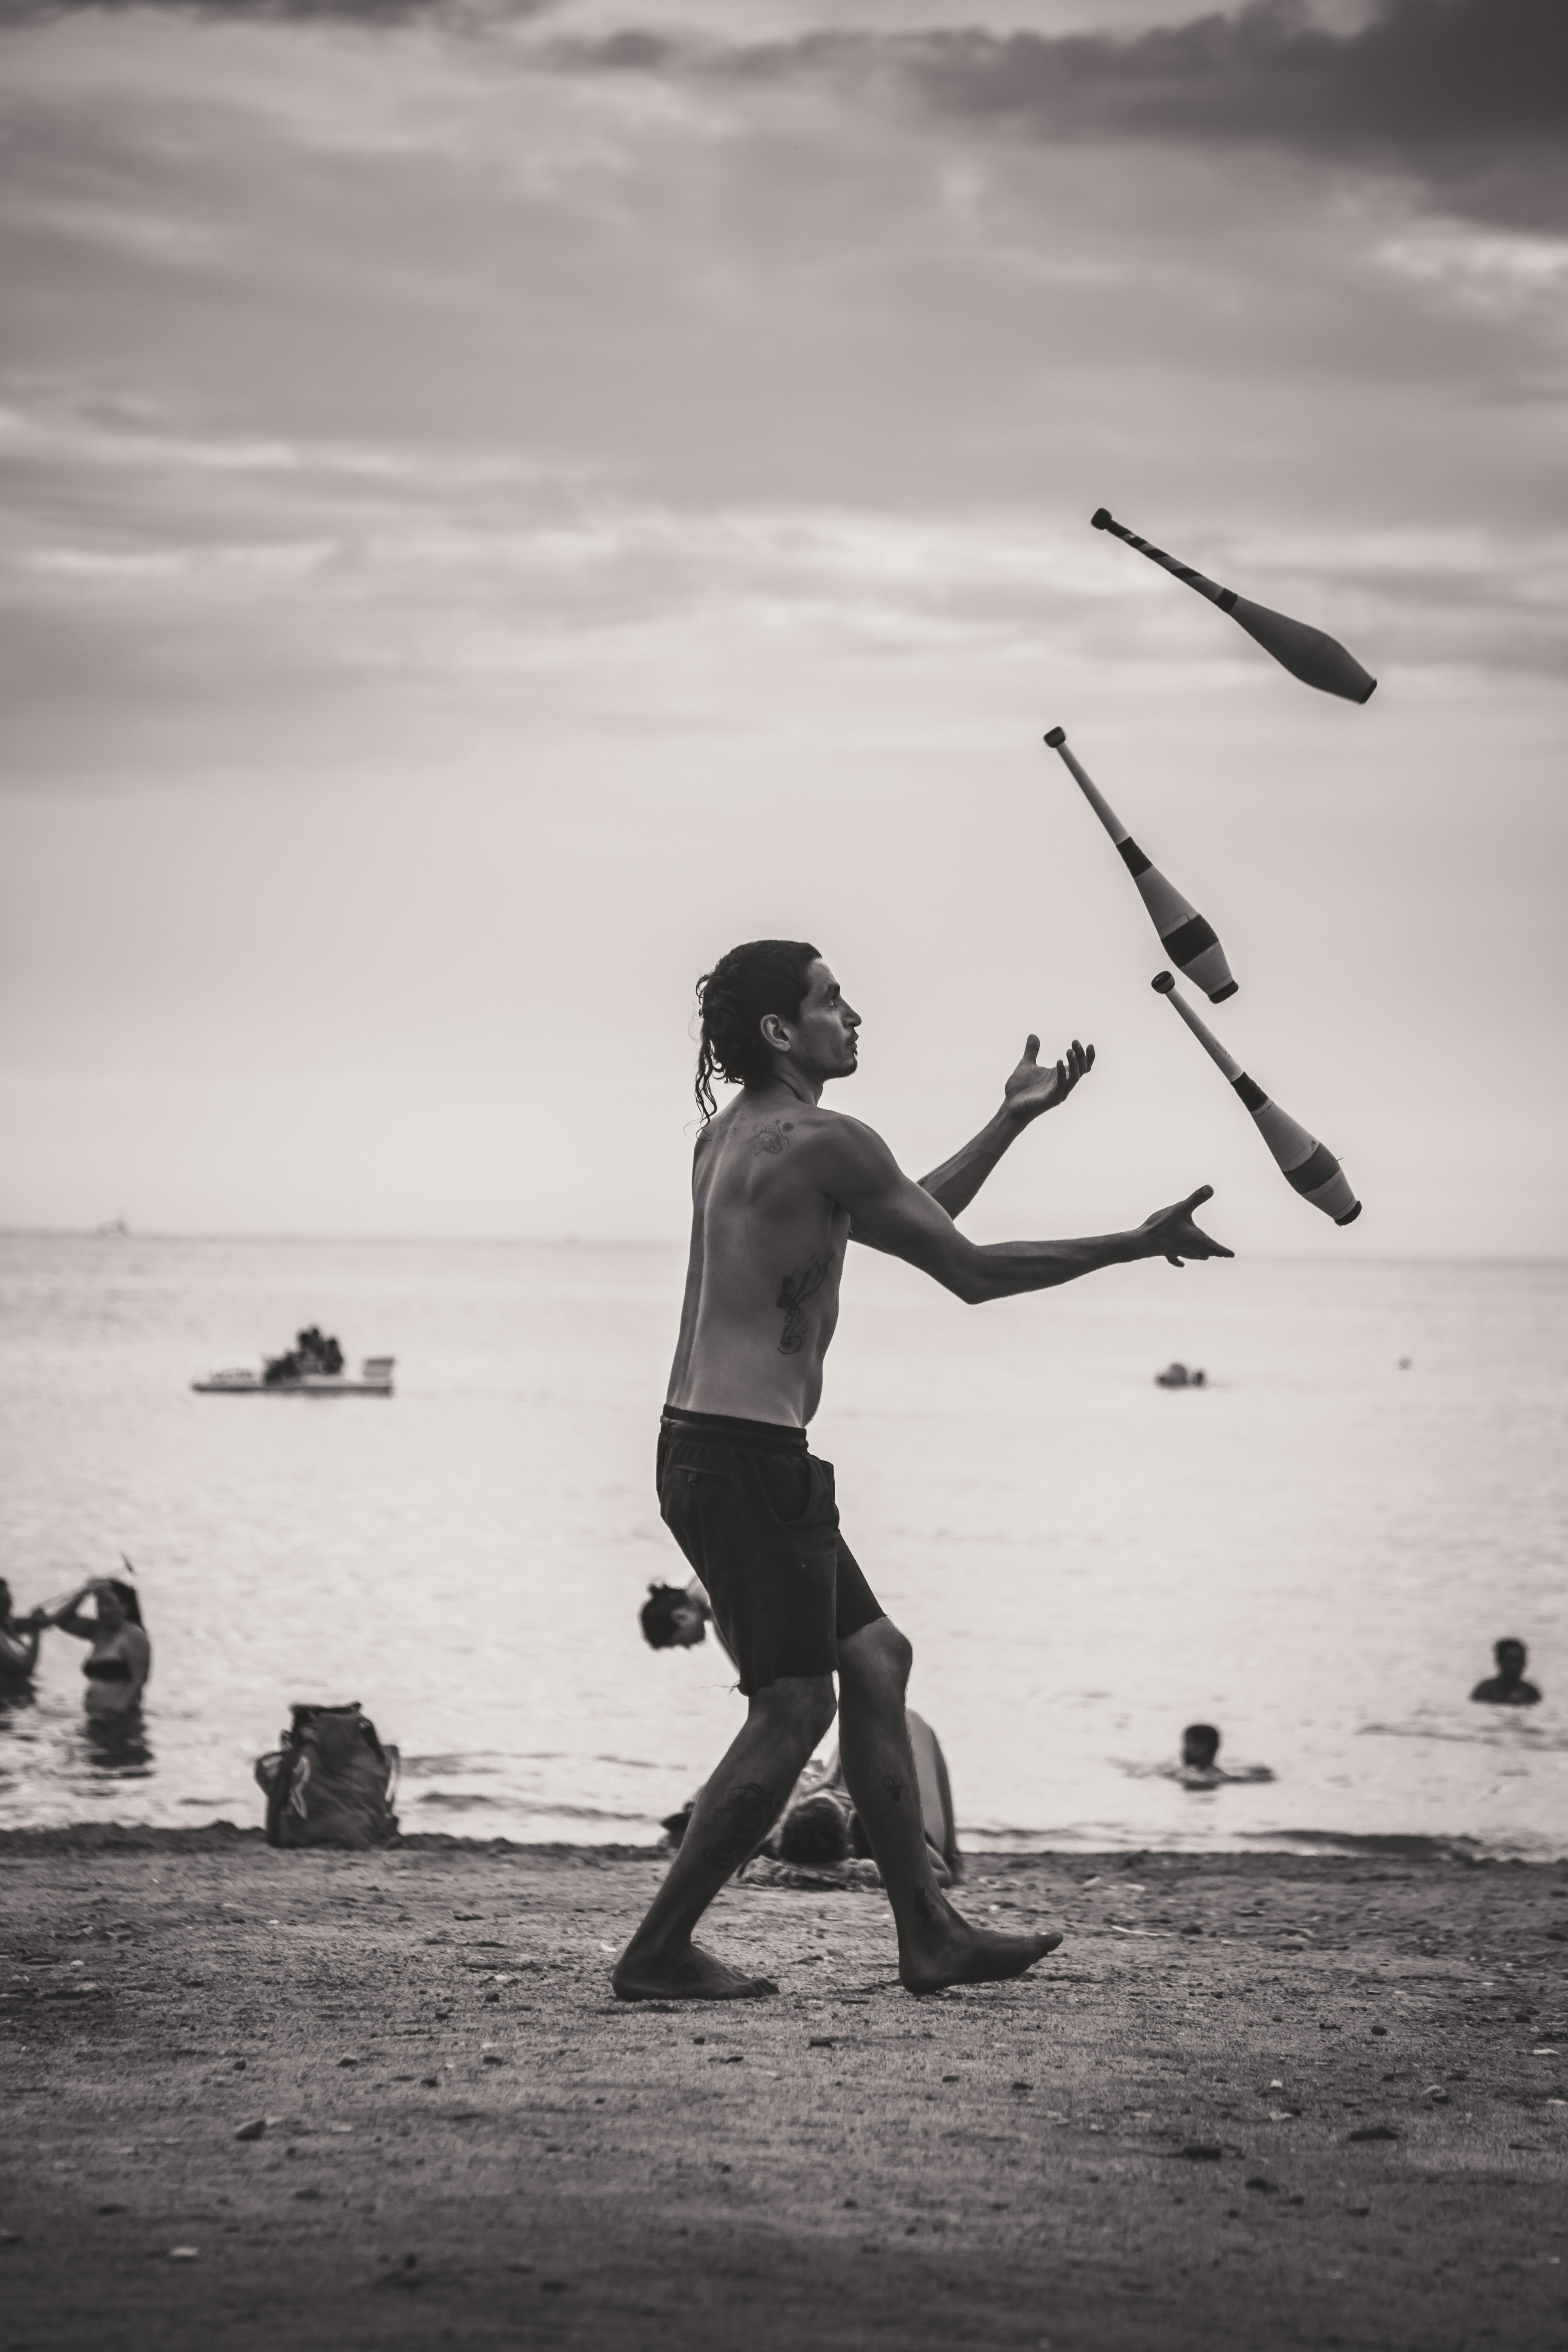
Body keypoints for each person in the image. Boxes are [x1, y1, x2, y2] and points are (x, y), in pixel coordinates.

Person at [612, 937, 1231, 2003]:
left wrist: (1013, 1117)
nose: (853, 1014)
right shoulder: (823, 1137)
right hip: (746, 1458)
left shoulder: (743, 1135)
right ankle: (659, 1950)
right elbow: (971, 1271)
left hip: (718, 1448)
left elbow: (903, 1217)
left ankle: (927, 1932)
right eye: (831, 999)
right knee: (794, 1709)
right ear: (779, 1030)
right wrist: (1136, 1241)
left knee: (879, 1657)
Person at [46, 1577, 151, 1715]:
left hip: (118, 1721)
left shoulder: (134, 1634)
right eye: (99, 1604)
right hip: (95, 1718)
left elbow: (139, 1680)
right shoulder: (98, 1631)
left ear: (124, 1607)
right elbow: (60, 1621)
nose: (102, 1610)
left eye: (108, 1603)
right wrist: (84, 1592)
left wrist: (116, 1713)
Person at [1470, 1638, 1541, 1708]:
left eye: (1518, 1661)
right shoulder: (1484, 1691)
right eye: (1509, 1661)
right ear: (1499, 1662)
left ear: (1525, 1663)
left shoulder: (1532, 1693)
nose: (1514, 1666)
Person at [0, 1578, 43, 1684]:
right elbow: (26, 1669)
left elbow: (53, 1620)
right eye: (5, 1600)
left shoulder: (8, 1626)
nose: (11, 1603)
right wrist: (36, 1631)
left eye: (9, 1598)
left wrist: (82, 1593)